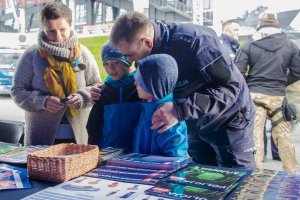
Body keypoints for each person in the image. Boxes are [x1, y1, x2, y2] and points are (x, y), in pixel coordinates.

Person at [107, 11, 256, 169]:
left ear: (147, 42)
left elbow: (230, 88)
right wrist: (104, 91)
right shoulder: (143, 53)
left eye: (130, 56)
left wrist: (180, 109)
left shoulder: (198, 43)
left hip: (228, 121)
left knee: (236, 182)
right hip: (192, 124)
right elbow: (144, 88)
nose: (129, 62)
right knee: (203, 182)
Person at [11, 2, 101, 145]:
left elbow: (97, 87)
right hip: (40, 139)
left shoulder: (83, 53)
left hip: (78, 139)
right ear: (43, 28)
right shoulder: (31, 55)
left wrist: (81, 98)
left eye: (62, 29)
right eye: (51, 31)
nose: (57, 36)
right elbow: (17, 91)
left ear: (71, 25)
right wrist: (43, 101)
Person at [234, 12, 300, 172]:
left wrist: (249, 85)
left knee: (255, 135)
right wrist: (282, 82)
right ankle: (292, 174)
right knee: (283, 135)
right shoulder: (289, 45)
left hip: (254, 96)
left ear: (260, 24)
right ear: (276, 24)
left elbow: (237, 72)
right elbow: (298, 72)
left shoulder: (249, 44)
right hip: (278, 96)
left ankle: (255, 175)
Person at [86, 42, 141, 151]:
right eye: (106, 64)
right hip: (108, 151)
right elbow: (93, 126)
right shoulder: (102, 92)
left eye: (117, 62)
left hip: (136, 151)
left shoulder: (139, 88)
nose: (111, 69)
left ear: (128, 63)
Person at [133, 54, 189, 158]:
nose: (135, 83)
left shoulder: (167, 119)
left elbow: (177, 160)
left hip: (156, 173)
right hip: (142, 170)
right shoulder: (147, 107)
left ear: (154, 86)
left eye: (140, 81)